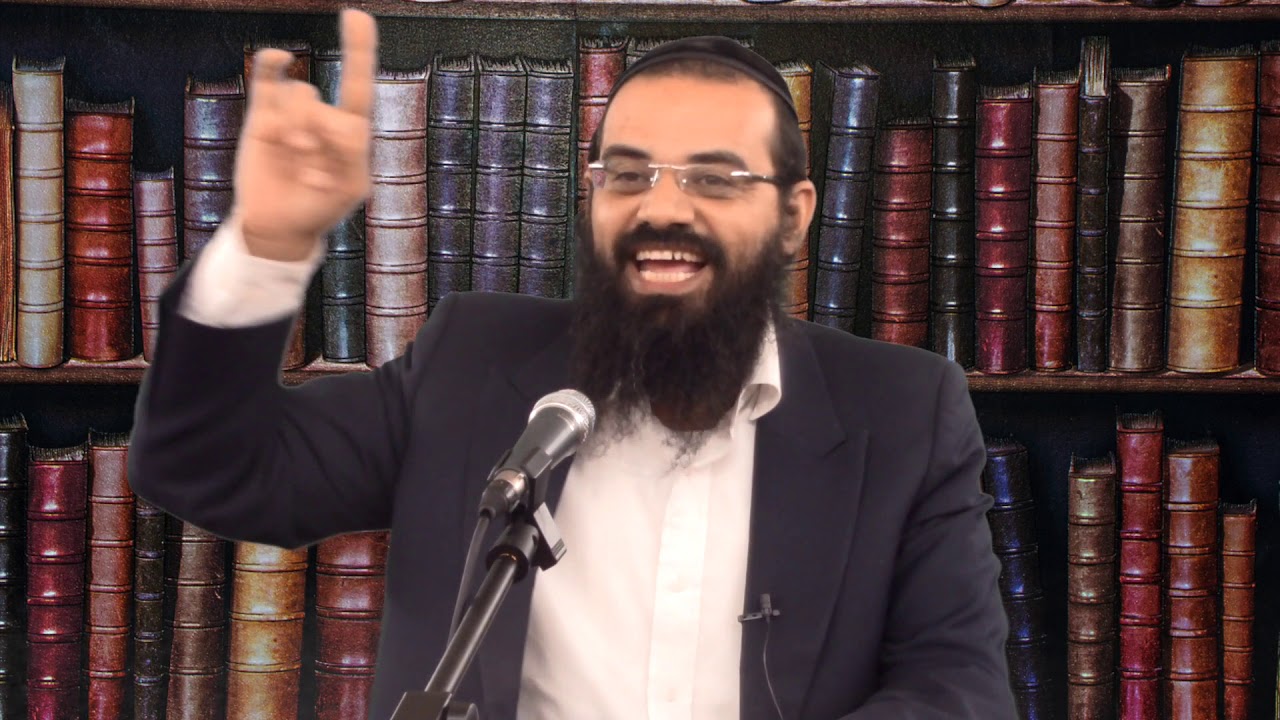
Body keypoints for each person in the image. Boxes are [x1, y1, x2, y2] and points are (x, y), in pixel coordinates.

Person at [128, 8, 1016, 719]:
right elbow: (206, 467)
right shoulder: (472, 361)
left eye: (714, 178)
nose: (662, 209)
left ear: (794, 216)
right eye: (628, 174)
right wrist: (267, 243)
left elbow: (960, 691)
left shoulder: (905, 411)